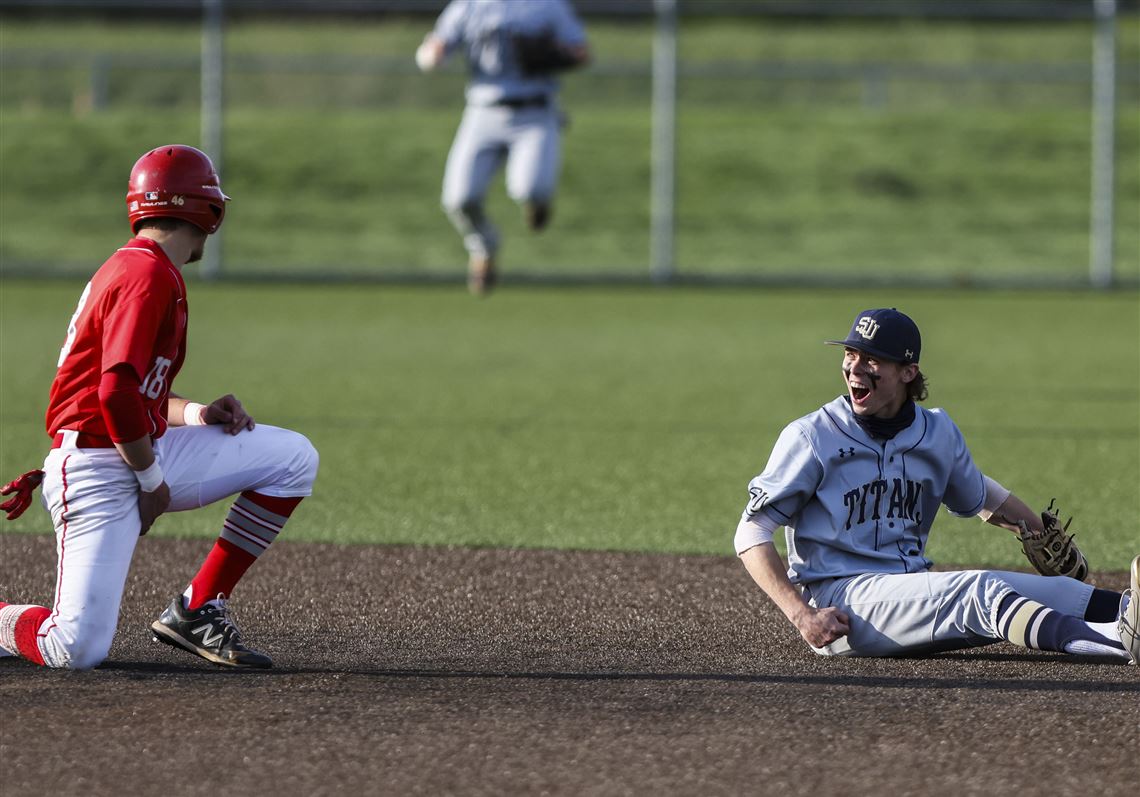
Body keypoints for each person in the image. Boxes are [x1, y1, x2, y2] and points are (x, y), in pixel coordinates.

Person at [0, 145, 319, 670]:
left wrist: (196, 414)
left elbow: (134, 392)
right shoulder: (145, 277)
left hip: (135, 448)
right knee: (73, 648)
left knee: (292, 458)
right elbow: (114, 395)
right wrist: (151, 482)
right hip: (98, 467)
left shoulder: (146, 268)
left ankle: (197, 608)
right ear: (207, 210)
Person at [734, 307, 1139, 664]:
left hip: (907, 592)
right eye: (850, 354)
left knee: (1063, 591)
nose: (855, 368)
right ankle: (1116, 643)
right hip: (841, 607)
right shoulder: (812, 437)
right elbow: (751, 531)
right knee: (977, 592)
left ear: (908, 372)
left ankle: (1131, 614)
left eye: (872, 359)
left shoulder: (936, 432)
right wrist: (802, 616)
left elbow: (979, 494)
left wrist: (1031, 526)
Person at [415, 0, 589, 295]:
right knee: (459, 199)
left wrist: (554, 55)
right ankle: (484, 250)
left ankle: (538, 203)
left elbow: (581, 51)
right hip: (483, 111)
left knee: (531, 189)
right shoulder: (467, 7)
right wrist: (431, 55)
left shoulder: (546, 6)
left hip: (535, 110)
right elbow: (433, 50)